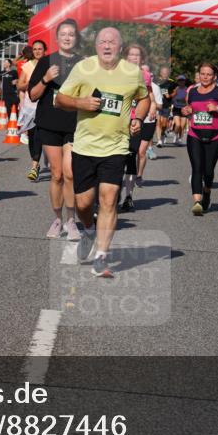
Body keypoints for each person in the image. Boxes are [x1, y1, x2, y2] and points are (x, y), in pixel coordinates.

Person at [56, 27, 150, 278]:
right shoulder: (83, 68)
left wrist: (138, 117)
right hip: (85, 146)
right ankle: (88, 229)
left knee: (109, 199)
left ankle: (101, 256)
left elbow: (144, 98)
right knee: (83, 203)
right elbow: (60, 99)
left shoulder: (132, 72)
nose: (107, 46)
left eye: (112, 42)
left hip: (116, 146)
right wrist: (80, 103)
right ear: (95, 46)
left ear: (120, 47)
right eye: (102, 42)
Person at [28, 19, 82, 239]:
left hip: (74, 125)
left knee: (70, 173)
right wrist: (46, 78)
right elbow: (32, 95)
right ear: (57, 38)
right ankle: (57, 219)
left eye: (71, 34)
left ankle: (72, 221)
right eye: (63, 34)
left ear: (76, 38)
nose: (67, 37)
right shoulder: (46, 61)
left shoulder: (83, 64)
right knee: (57, 174)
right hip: (49, 123)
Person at [182, 63, 218, 215]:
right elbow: (189, 108)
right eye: (203, 74)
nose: (205, 77)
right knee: (197, 168)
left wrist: (217, 109)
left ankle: (207, 193)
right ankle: (197, 202)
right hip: (195, 135)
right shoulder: (192, 91)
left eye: (208, 74)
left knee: (209, 171)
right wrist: (187, 111)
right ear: (199, 75)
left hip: (215, 137)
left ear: (214, 77)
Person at [119, 43, 155, 212]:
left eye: (137, 55)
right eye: (131, 55)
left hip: (134, 121)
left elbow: (147, 97)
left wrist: (151, 107)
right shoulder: (116, 71)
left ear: (142, 59)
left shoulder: (145, 75)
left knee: (131, 157)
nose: (134, 58)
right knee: (115, 158)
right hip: (117, 122)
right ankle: (113, 190)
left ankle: (129, 196)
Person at [18, 40, 46, 181]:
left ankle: (34, 166)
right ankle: (35, 161)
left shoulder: (49, 64)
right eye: (35, 49)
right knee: (32, 135)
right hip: (30, 105)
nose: (37, 51)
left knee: (39, 135)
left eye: (40, 49)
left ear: (44, 50)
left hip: (44, 105)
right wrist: (32, 83)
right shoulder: (27, 66)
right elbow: (19, 85)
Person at [155, 65, 172, 148]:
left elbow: (174, 93)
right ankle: (159, 140)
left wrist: (169, 95)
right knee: (158, 122)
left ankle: (162, 134)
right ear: (160, 73)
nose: (165, 74)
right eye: (163, 73)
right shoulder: (156, 82)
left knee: (164, 124)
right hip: (158, 105)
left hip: (166, 105)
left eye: (166, 73)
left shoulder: (171, 83)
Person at [170, 74, 190, 145]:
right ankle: (175, 136)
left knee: (182, 126)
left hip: (184, 109)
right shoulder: (176, 89)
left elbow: (188, 99)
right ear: (178, 82)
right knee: (178, 125)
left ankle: (180, 138)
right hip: (176, 108)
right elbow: (171, 97)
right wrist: (173, 94)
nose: (181, 82)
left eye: (182, 81)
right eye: (179, 81)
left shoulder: (187, 89)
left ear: (184, 81)